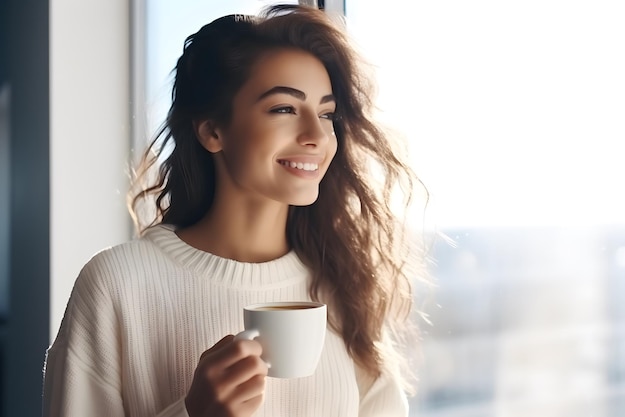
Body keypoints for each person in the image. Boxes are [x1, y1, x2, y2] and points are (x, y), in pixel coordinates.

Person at [43, 4, 423, 417]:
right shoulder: (116, 286)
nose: (317, 135)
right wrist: (193, 412)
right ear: (212, 130)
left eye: (327, 113)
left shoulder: (340, 282)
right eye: (284, 109)